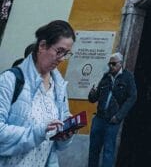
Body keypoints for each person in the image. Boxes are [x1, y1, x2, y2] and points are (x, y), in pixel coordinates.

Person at [0, 19, 76, 166]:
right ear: (42, 46)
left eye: (66, 54)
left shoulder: (59, 87)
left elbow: (58, 146)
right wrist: (38, 132)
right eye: (59, 51)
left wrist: (65, 135)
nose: (61, 59)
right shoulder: (10, 80)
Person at [87, 52, 137, 167]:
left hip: (112, 120)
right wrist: (92, 94)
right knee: (93, 150)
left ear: (120, 64)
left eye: (113, 64)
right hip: (99, 119)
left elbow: (133, 97)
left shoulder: (127, 77)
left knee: (108, 151)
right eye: (109, 64)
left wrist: (119, 116)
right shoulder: (106, 77)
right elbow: (94, 98)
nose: (111, 66)